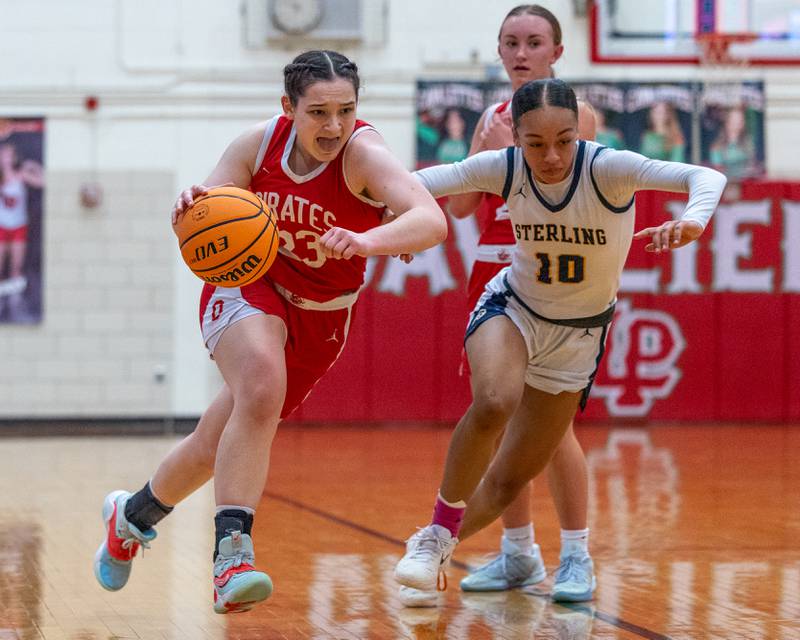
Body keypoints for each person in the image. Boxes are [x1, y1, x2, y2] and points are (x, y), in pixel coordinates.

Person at [93, 50, 447, 614]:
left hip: (323, 313)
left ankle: (131, 517)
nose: (333, 127)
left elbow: (431, 220)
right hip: (248, 284)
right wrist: (189, 206)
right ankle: (232, 559)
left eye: (346, 110)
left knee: (215, 443)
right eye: (318, 112)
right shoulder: (256, 146)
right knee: (261, 383)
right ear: (288, 108)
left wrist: (367, 241)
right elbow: (205, 210)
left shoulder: (364, 155)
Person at [394, 78, 726, 604]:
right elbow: (415, 183)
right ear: (517, 138)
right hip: (513, 308)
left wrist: (692, 220)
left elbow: (705, 174)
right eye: (535, 144)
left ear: (580, 132)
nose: (550, 156)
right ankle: (436, 537)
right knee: (494, 402)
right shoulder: (503, 167)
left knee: (508, 480)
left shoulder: (609, 168)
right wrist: (397, 221)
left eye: (564, 141)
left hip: (579, 334)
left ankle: (435, 542)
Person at [409, 4, 599, 606]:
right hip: (492, 271)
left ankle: (577, 552)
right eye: (511, 42)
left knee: (553, 428)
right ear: (499, 51)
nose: (521, 53)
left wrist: (510, 161)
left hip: (552, 271)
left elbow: (575, 194)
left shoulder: (577, 116)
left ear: (556, 53)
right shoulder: (493, 119)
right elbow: (460, 209)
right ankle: (518, 553)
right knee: (498, 414)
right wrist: (484, 162)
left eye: (534, 42)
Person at [0, 142, 43, 321]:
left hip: (18, 227)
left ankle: (15, 302)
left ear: (14, 157)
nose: (6, 158)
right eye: (3, 154)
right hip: (2, 227)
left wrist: (32, 166)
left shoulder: (21, 175)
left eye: (9, 154)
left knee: (16, 267)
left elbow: (43, 181)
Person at [708, 105, 758, 180]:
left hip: (745, 183)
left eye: (740, 120)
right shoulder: (717, 146)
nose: (738, 123)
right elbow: (717, 170)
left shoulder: (748, 144)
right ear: (727, 122)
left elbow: (752, 166)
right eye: (734, 120)